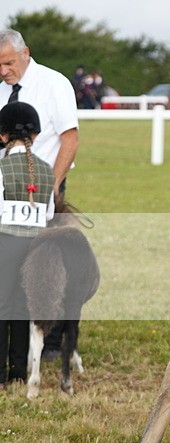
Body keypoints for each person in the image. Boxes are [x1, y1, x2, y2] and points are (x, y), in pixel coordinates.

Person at [0, 29, 79, 362]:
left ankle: (53, 342)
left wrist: (51, 189)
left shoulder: (54, 83)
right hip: (6, 191)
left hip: (45, 186)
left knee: (50, 267)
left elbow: (70, 140)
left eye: (8, 63)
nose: (3, 71)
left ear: (25, 53)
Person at [0, 102, 56, 389]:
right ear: (34, 136)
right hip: (36, 246)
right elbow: (47, 215)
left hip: (5, 244)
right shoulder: (47, 171)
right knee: (23, 308)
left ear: (2, 135)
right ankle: (18, 373)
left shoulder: (1, 167)